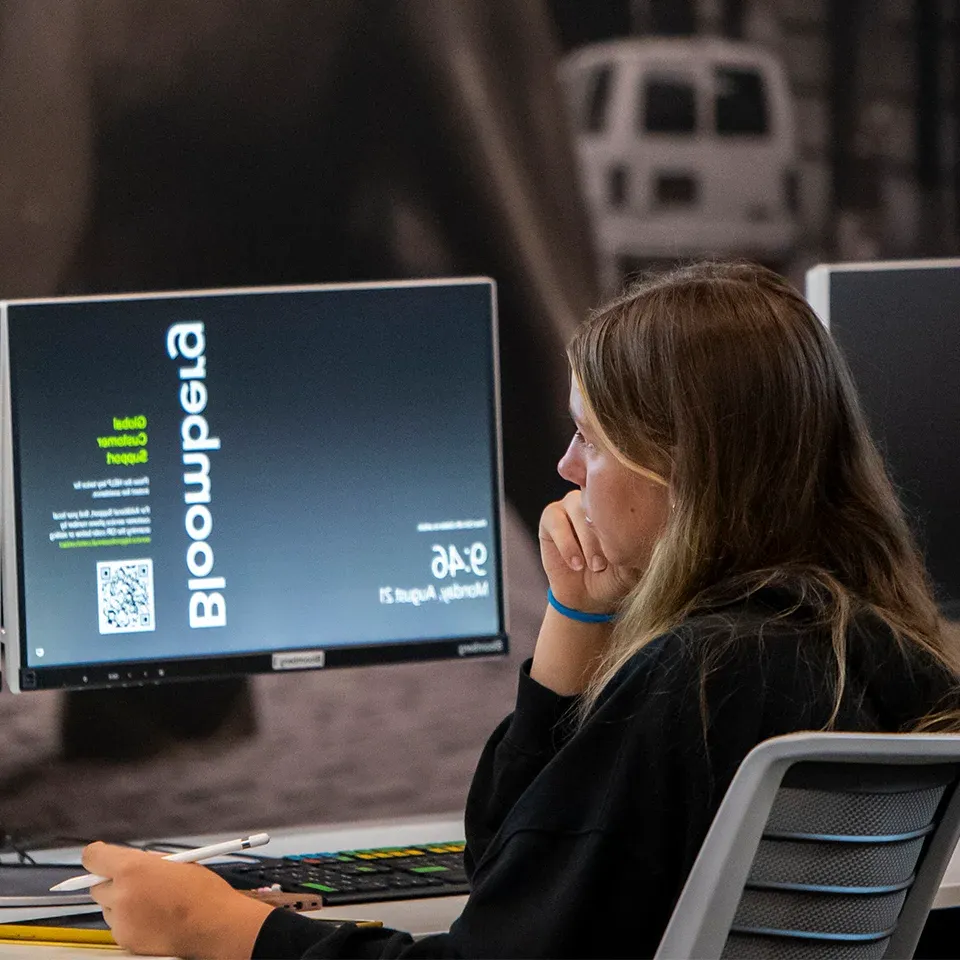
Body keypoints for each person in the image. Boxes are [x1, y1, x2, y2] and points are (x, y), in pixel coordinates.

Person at [81, 261, 960, 958]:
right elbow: (512, 861)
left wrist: (223, 929)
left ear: (688, 471)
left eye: (594, 437)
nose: (568, 468)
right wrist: (576, 620)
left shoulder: (701, 678)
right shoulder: (866, 653)